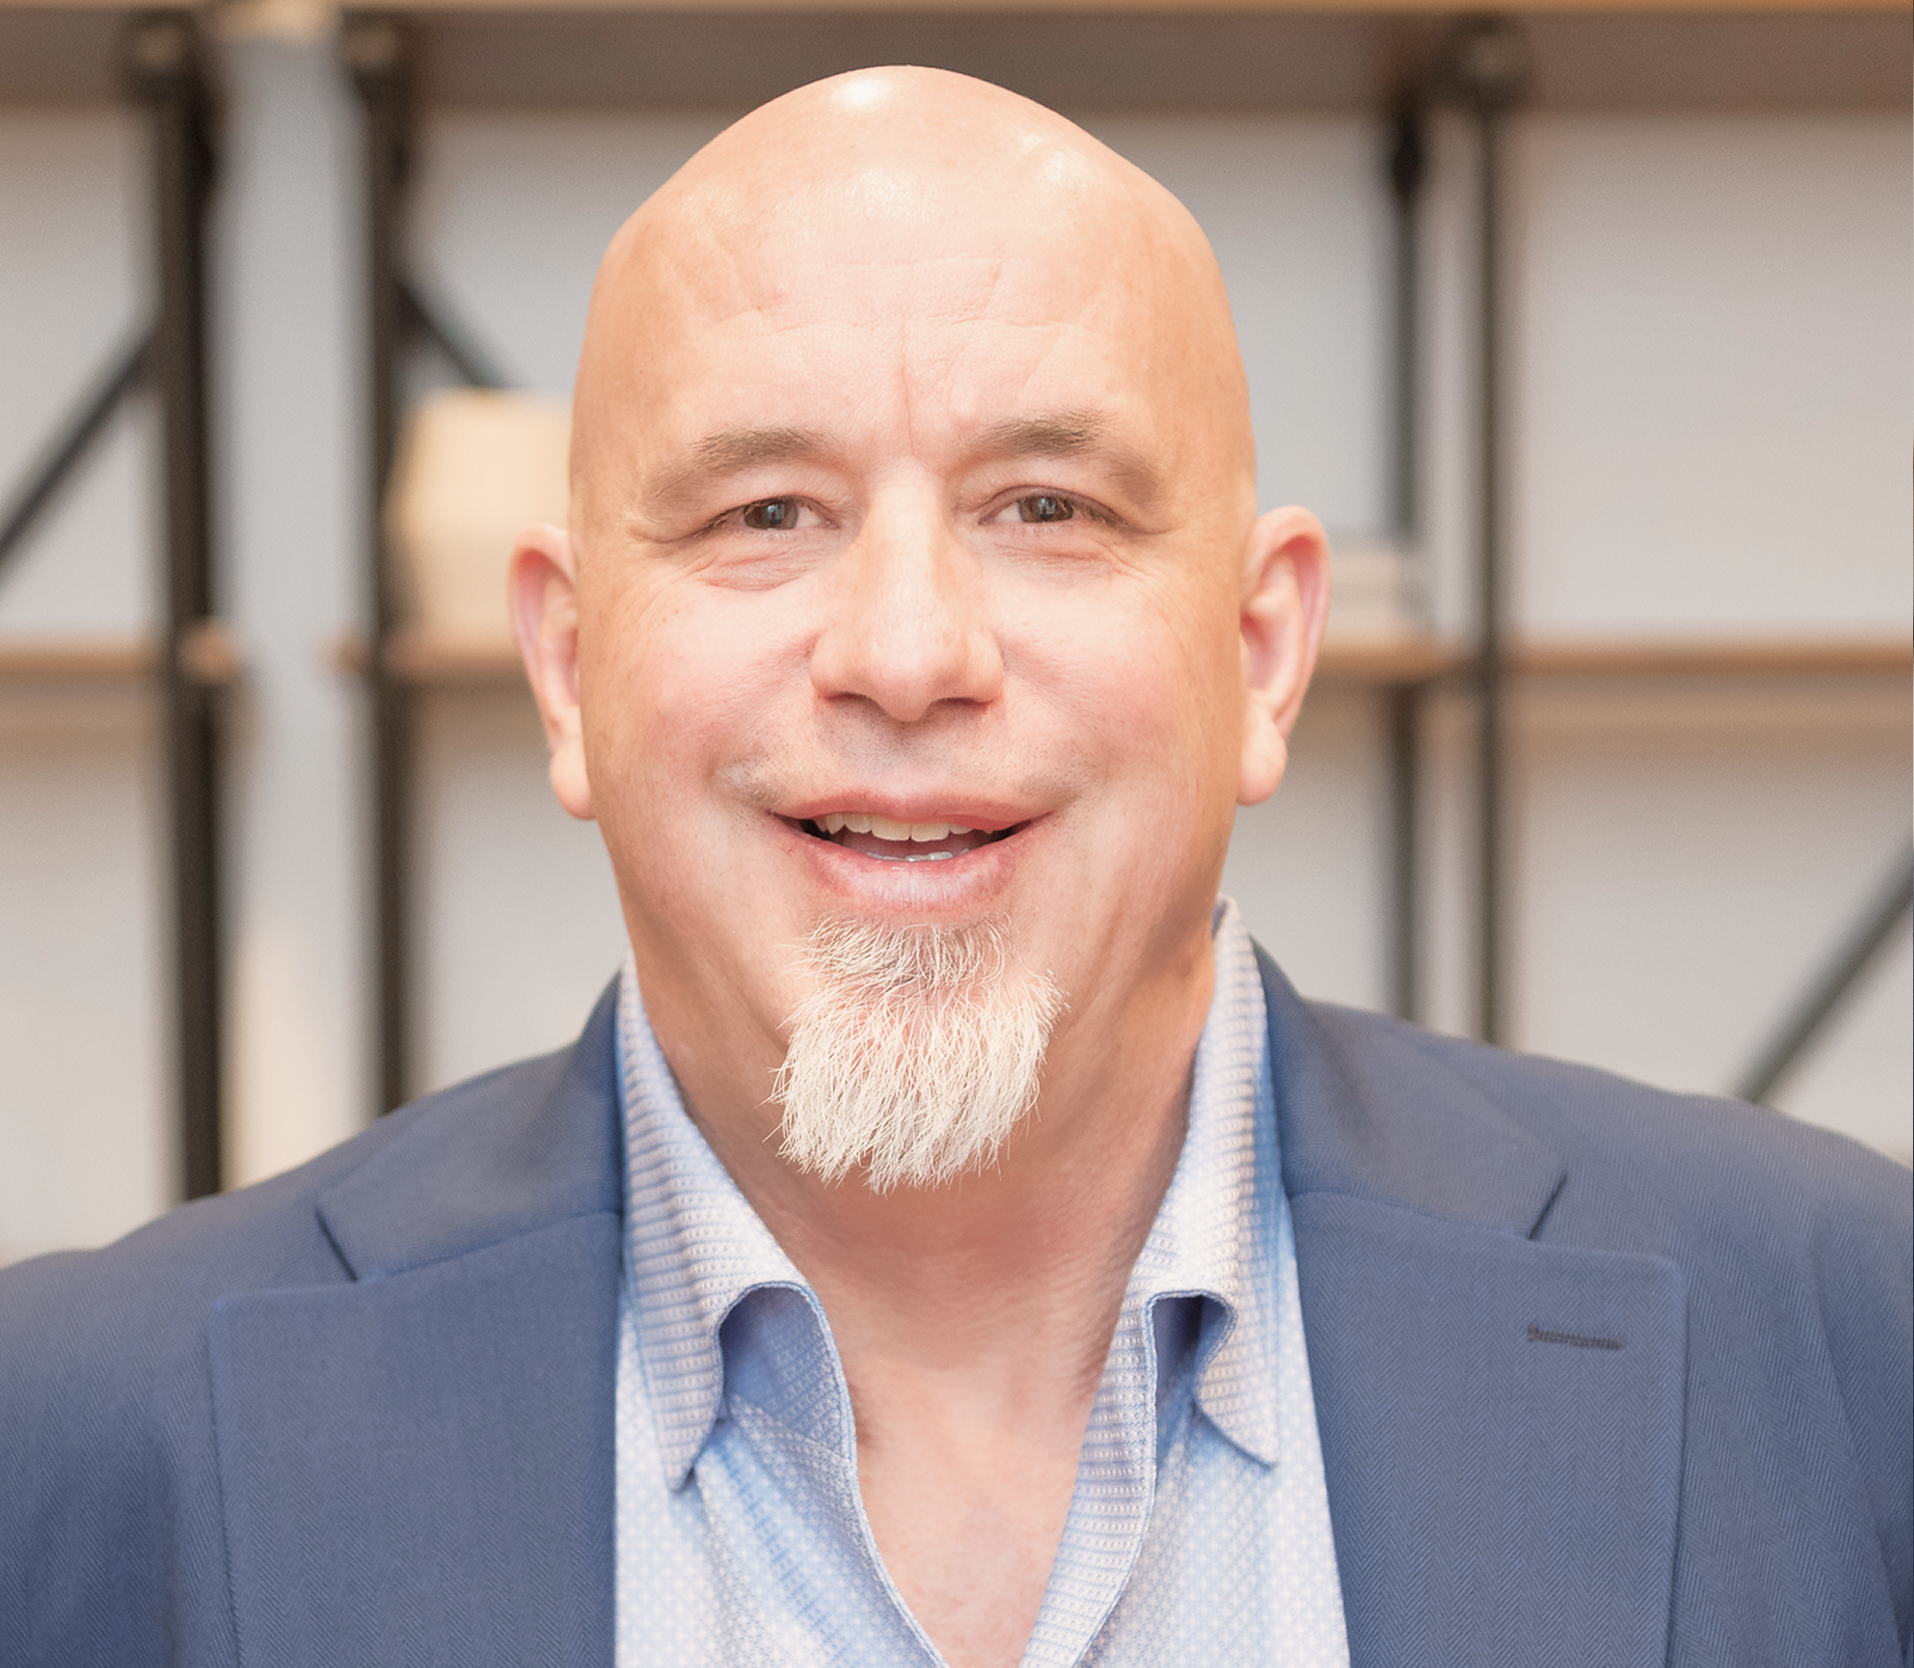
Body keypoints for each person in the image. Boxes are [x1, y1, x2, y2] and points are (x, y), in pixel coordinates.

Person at [1, 67, 1907, 1668]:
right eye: (767, 511)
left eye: (1045, 509)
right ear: (570, 673)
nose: (908, 655)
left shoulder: (1838, 1344)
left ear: (1258, 654)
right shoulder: (83, 1443)